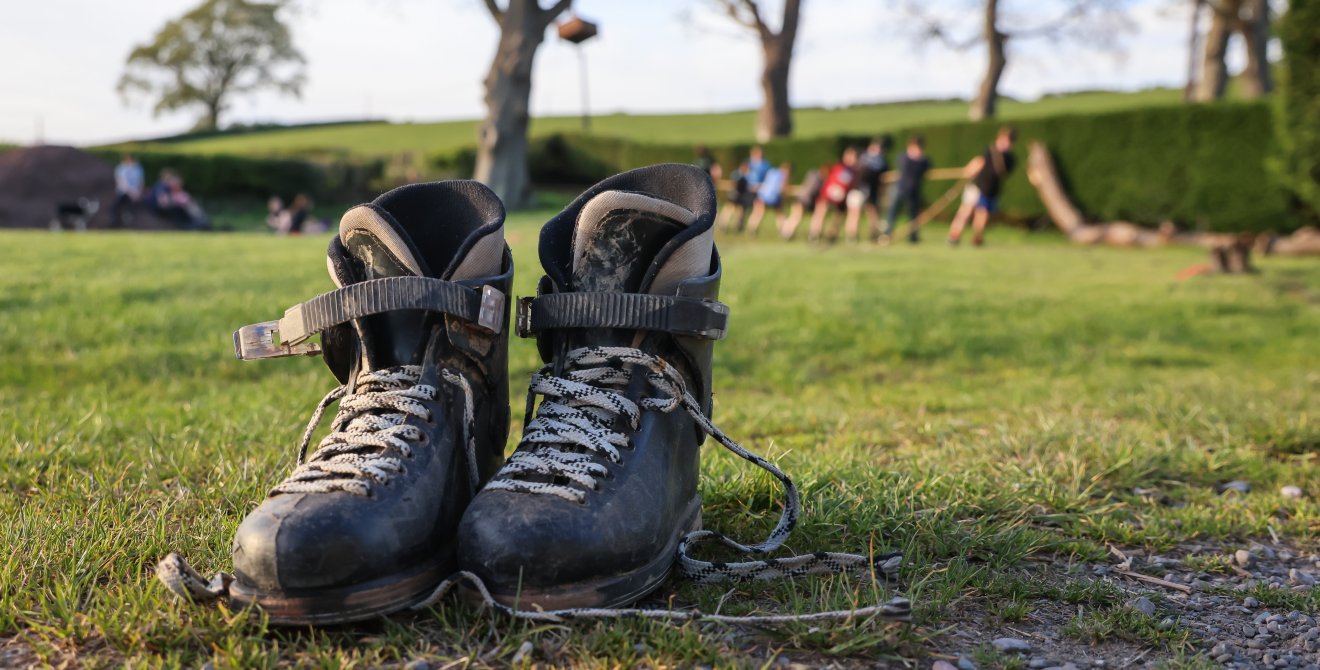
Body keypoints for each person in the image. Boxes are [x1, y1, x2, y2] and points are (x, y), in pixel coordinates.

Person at [948, 127, 1017, 247]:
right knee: (965, 211)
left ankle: (977, 238)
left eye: (1008, 140)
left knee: (983, 214)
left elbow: (1002, 172)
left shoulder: (1010, 158)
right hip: (977, 185)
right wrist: (970, 168)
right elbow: (979, 161)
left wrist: (998, 153)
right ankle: (954, 236)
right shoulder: (989, 150)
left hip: (990, 190)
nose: (1005, 142)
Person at [844, 136, 892, 244]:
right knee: (856, 213)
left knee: (869, 213)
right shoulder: (880, 161)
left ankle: (868, 236)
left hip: (867, 191)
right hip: (861, 189)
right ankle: (853, 235)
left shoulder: (867, 157)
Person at [886, 136, 932, 243]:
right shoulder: (904, 157)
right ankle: (887, 233)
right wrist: (915, 158)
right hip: (901, 189)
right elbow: (904, 166)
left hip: (914, 191)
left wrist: (920, 158)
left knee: (913, 215)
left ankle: (913, 236)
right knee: (893, 212)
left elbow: (928, 166)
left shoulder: (924, 160)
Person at [808, 147, 859, 244]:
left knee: (839, 215)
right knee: (821, 212)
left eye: (852, 156)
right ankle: (814, 234)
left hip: (842, 198)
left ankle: (833, 234)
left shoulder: (855, 172)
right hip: (828, 195)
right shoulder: (837, 167)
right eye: (848, 155)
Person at [780, 164, 827, 240]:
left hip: (800, 199)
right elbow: (812, 191)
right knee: (796, 217)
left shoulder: (812, 175)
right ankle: (787, 233)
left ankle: (786, 232)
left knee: (795, 217)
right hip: (804, 200)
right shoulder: (818, 178)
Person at [746, 162, 790, 236]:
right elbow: (782, 188)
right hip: (773, 196)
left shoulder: (771, 171)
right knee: (779, 213)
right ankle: (784, 230)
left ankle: (751, 229)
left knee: (757, 213)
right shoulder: (784, 174)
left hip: (762, 193)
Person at [110, 154, 144, 228]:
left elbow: (140, 182)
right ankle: (115, 222)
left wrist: (138, 192)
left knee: (133, 206)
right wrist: (131, 192)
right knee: (115, 206)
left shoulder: (138, 169)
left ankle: (131, 221)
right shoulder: (121, 168)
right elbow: (122, 182)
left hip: (135, 193)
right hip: (124, 192)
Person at [719, 161, 752, 232]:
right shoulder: (738, 175)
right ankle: (723, 224)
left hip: (737, 195)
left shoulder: (740, 174)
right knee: (729, 209)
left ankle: (737, 225)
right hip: (734, 195)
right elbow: (735, 184)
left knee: (738, 210)